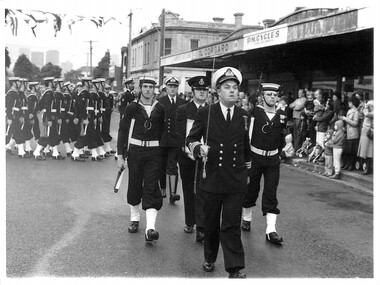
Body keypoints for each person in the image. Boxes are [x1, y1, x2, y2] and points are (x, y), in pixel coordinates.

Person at [186, 67, 251, 278]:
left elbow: (245, 146)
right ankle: (210, 257)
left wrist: (248, 170)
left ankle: (234, 268)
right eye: (227, 87)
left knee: (231, 225)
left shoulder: (243, 115)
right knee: (212, 225)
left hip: (235, 179)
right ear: (218, 91)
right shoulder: (207, 112)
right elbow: (190, 139)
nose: (232, 91)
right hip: (212, 177)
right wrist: (198, 149)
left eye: (235, 88)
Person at [117, 76, 166, 243]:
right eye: (145, 87)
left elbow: (164, 134)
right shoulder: (132, 107)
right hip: (135, 151)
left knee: (152, 187)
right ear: (140, 89)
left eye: (151, 87)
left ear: (154, 90)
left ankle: (150, 228)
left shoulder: (160, 109)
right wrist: (120, 154)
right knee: (135, 184)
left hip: (154, 152)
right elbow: (123, 131)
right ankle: (135, 218)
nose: (148, 90)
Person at [241, 82, 287, 245]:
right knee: (251, 189)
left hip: (272, 159)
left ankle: (271, 230)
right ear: (262, 97)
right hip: (255, 157)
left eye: (275, 95)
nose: (272, 97)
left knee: (271, 193)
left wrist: (279, 154)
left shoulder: (282, 116)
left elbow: (282, 138)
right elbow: (247, 137)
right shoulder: (254, 113)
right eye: (269, 94)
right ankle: (246, 218)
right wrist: (247, 158)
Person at [176, 75, 209, 242]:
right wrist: (185, 148)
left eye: (204, 90)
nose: (202, 92)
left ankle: (202, 227)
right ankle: (190, 221)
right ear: (193, 91)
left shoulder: (212, 110)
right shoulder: (183, 109)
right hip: (187, 157)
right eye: (198, 90)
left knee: (203, 191)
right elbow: (180, 133)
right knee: (189, 190)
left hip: (206, 158)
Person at [158, 76, 187, 201]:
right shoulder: (161, 101)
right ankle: (163, 189)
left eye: (175, 86)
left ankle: (173, 194)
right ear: (166, 88)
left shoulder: (182, 102)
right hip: (163, 139)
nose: (173, 89)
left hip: (176, 140)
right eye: (170, 86)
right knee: (161, 165)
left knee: (172, 165)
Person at [339, 96, 360, 171]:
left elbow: (355, 123)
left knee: (352, 151)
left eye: (350, 102)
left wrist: (346, 119)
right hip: (348, 133)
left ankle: (351, 165)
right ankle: (347, 164)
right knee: (347, 150)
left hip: (353, 134)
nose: (348, 103)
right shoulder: (349, 111)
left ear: (353, 103)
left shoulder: (356, 112)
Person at [357, 100, 373, 175]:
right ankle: (364, 166)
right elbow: (361, 114)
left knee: (368, 151)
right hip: (365, 131)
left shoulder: (373, 112)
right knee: (364, 151)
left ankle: (368, 168)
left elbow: (366, 114)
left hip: (369, 131)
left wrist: (365, 107)